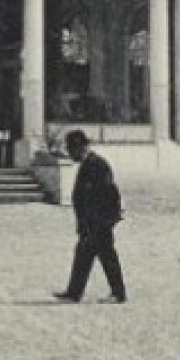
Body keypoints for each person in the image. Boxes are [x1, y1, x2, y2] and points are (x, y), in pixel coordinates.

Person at [54, 130, 127, 304]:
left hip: (99, 222)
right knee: (83, 256)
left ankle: (118, 293)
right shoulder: (88, 164)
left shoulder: (98, 165)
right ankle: (74, 292)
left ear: (81, 148)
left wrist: (102, 220)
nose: (70, 154)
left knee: (107, 256)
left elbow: (107, 193)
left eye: (72, 150)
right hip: (90, 222)